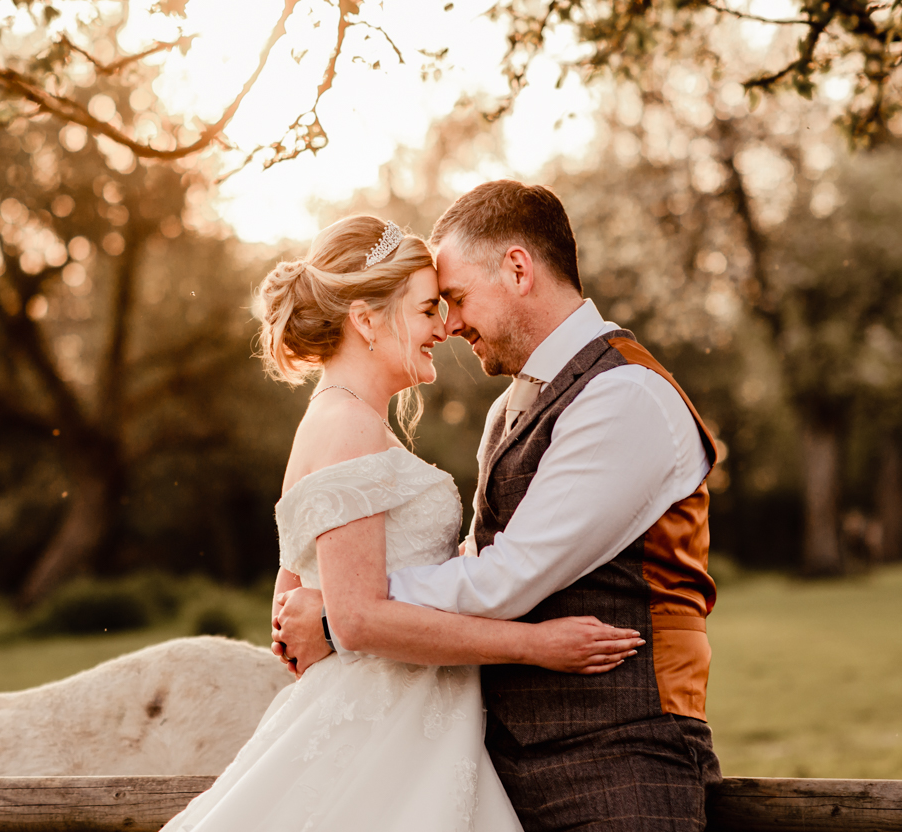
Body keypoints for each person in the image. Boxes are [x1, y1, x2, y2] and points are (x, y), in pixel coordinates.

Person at [158, 214, 644, 832]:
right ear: (366, 319)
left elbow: (290, 602)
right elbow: (354, 619)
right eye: (426, 310)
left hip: (417, 727)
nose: (444, 327)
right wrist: (538, 646)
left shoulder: (345, 422)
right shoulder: (349, 429)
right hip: (385, 730)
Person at [276, 182, 724, 831]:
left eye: (454, 299)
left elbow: (506, 576)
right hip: (495, 763)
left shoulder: (623, 396)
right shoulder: (510, 409)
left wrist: (346, 611)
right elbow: (474, 557)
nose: (449, 324)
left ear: (517, 269)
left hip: (615, 759)